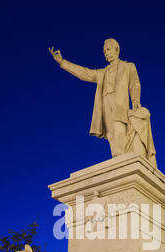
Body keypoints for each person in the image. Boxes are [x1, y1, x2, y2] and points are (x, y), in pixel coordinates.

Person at [49, 38, 156, 166]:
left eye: (108, 49)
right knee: (111, 135)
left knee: (119, 129)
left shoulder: (128, 66)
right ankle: (117, 161)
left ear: (117, 50)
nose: (106, 53)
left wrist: (135, 99)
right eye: (104, 51)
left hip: (119, 104)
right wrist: (63, 63)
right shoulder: (102, 73)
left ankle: (122, 162)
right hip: (105, 104)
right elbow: (85, 73)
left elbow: (135, 84)